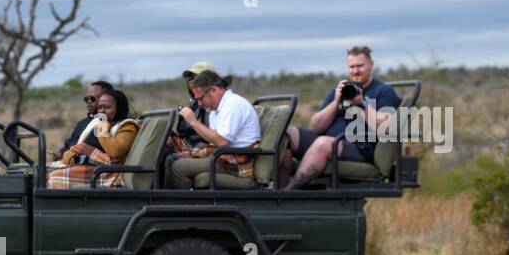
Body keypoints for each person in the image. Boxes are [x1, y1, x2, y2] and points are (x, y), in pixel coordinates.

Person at [282, 45, 402, 190]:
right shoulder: (340, 91)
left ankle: (291, 191)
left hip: (360, 148)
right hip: (330, 142)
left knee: (323, 144)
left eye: (360, 66)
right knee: (287, 133)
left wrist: (361, 104)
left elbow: (384, 128)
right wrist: (336, 101)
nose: (355, 71)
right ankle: (278, 189)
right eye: (351, 67)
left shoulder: (384, 91)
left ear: (371, 65)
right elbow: (315, 126)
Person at [169, 71, 262, 188]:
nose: (199, 103)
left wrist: (193, 121)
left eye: (200, 98)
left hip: (234, 162)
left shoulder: (232, 105)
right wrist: (192, 153)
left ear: (214, 90)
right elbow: (213, 141)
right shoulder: (216, 110)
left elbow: (222, 141)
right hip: (223, 156)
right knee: (172, 159)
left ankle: (184, 204)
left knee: (178, 167)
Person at [46, 89, 140, 189]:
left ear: (119, 108)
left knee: (54, 177)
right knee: (42, 169)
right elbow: (84, 145)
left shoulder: (127, 126)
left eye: (107, 107)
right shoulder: (100, 123)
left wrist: (102, 129)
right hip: (89, 165)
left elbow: (115, 151)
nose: (102, 111)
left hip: (108, 172)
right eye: (100, 108)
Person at [58, 80, 116, 159]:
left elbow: (93, 144)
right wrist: (61, 153)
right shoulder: (83, 123)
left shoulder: (106, 121)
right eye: (86, 99)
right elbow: (70, 141)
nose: (89, 102)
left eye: (93, 99)